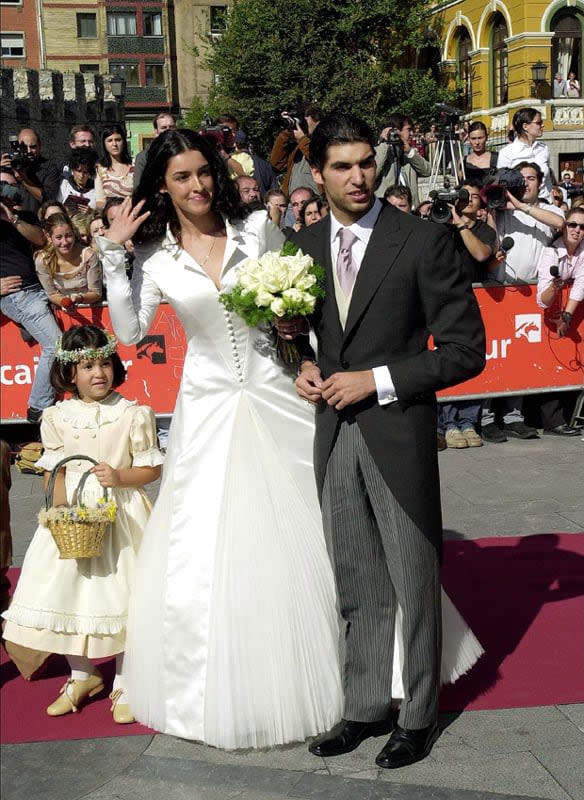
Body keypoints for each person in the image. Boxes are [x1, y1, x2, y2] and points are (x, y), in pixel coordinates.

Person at [97, 128, 342, 749]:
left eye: (203, 172)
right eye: (181, 177)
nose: (197, 185)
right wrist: (111, 251)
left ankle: (347, 664)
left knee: (312, 527)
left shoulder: (257, 228)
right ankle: (223, 683)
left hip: (279, 391)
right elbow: (127, 333)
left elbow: (305, 303)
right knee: (207, 548)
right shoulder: (155, 259)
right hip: (206, 408)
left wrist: (295, 326)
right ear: (163, 185)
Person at [286, 113, 485, 769]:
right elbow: (285, 331)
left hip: (397, 433)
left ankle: (420, 716)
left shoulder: (423, 240)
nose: (358, 176)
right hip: (333, 433)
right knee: (356, 580)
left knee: (414, 579)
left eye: (366, 162)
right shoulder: (303, 245)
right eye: (342, 165)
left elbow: (465, 352)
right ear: (317, 173)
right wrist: (302, 367)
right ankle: (364, 707)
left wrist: (376, 380)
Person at [2, 325, 163, 723]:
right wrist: (58, 516)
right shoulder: (56, 416)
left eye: (105, 363)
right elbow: (53, 470)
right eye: (88, 366)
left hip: (120, 514)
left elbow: (150, 468)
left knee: (123, 595)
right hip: (75, 514)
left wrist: (121, 477)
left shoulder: (132, 413)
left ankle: (127, 679)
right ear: (69, 374)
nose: (99, 373)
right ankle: (82, 674)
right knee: (68, 593)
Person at [0, 168, 60, 423]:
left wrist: (12, 218)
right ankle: (38, 406)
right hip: (19, 294)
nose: (8, 192)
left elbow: (41, 240)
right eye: (3, 187)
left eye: (13, 187)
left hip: (40, 289)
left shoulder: (22, 216)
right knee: (57, 345)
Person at [34, 212, 102, 309]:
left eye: (69, 236)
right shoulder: (43, 261)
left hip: (90, 308)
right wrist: (64, 302)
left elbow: (96, 293)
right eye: (58, 238)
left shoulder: (88, 256)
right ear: (49, 237)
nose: (64, 242)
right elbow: (52, 294)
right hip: (62, 310)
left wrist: (79, 298)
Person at [374, 114, 432, 209]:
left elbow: (427, 171)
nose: (412, 133)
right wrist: (384, 144)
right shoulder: (378, 152)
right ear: (396, 130)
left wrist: (409, 152)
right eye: (409, 129)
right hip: (386, 211)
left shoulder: (409, 154)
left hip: (410, 211)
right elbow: (373, 173)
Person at [0, 128, 61, 215]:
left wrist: (23, 179)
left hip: (35, 222)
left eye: (32, 147)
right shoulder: (10, 163)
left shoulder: (49, 168)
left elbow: (48, 200)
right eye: (24, 147)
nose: (28, 151)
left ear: (39, 146)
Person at [497, 108, 552, 200]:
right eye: (538, 123)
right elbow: (502, 185)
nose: (542, 125)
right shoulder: (507, 152)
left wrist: (553, 204)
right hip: (521, 205)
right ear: (525, 126)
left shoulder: (543, 148)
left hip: (545, 203)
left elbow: (548, 181)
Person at [133, 112, 177, 189]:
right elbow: (139, 187)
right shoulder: (144, 157)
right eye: (163, 127)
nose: (168, 130)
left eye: (171, 127)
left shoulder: (184, 151)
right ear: (156, 132)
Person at [95, 124, 134, 209]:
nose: (114, 144)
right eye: (110, 140)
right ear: (104, 144)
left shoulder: (135, 165)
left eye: (118, 140)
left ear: (123, 141)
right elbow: (99, 202)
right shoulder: (100, 168)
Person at [57, 147, 99, 213]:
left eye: (85, 172)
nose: (81, 175)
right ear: (73, 170)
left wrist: (91, 212)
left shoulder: (96, 189)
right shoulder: (64, 185)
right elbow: (57, 206)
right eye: (79, 171)